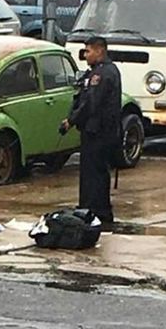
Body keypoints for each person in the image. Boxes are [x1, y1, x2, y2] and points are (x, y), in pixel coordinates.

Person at [62, 36, 121, 229]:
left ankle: (96, 211)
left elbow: (91, 103)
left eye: (88, 51)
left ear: (99, 51)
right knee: (90, 172)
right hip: (92, 130)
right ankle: (89, 208)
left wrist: (71, 121)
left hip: (100, 132)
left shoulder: (103, 74)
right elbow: (81, 97)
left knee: (95, 173)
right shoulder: (95, 72)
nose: (85, 55)